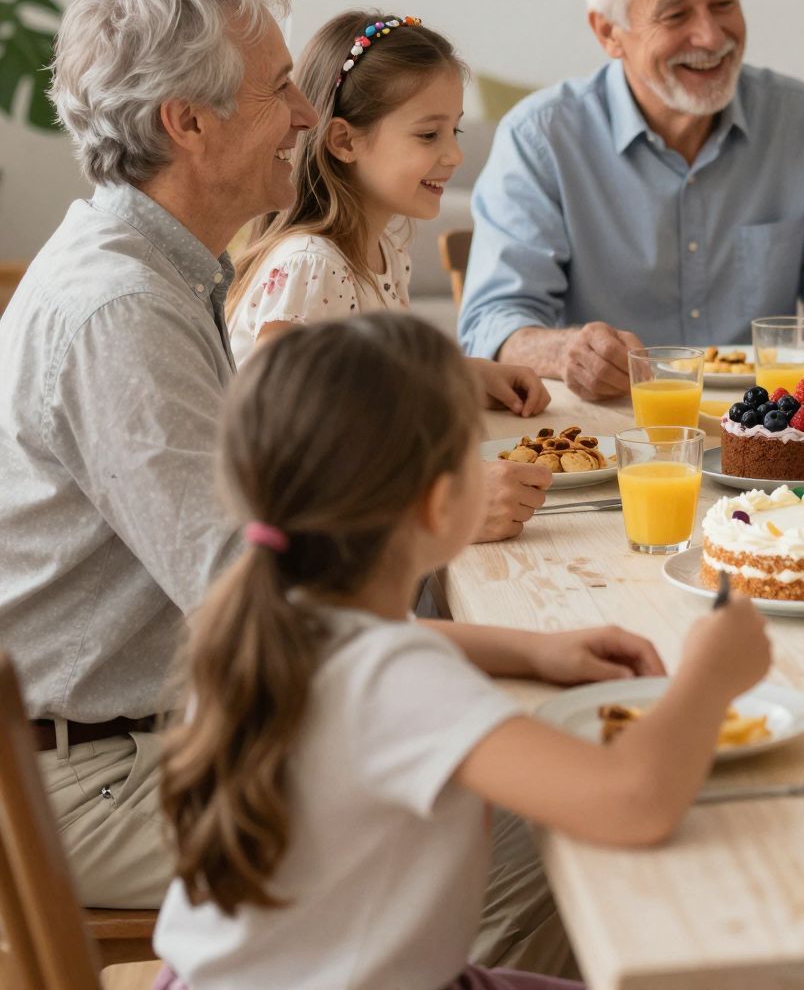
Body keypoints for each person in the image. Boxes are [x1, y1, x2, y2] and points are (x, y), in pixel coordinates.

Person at [0, 0, 551, 959]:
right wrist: (511, 639)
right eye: (279, 89)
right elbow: (259, 605)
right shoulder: (120, 310)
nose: (305, 116)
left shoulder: (164, 270)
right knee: (521, 819)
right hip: (98, 779)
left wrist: (530, 653)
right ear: (187, 123)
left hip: (160, 725)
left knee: (521, 746)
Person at [151, 313, 772, 989]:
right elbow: (633, 801)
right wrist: (711, 675)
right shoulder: (396, 681)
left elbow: (385, 655)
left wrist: (532, 652)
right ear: (441, 503)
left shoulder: (265, 624)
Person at [458, 0, 804, 400]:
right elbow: (492, 325)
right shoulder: (541, 137)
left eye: (724, 3)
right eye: (675, 15)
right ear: (609, 32)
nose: (709, 35)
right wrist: (566, 352)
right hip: (613, 426)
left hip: (772, 422)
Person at [227, 9, 549, 427]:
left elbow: (364, 380)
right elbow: (280, 424)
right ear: (344, 141)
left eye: (456, 131)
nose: (454, 155)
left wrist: (463, 374)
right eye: (429, 135)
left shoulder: (385, 251)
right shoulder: (312, 265)